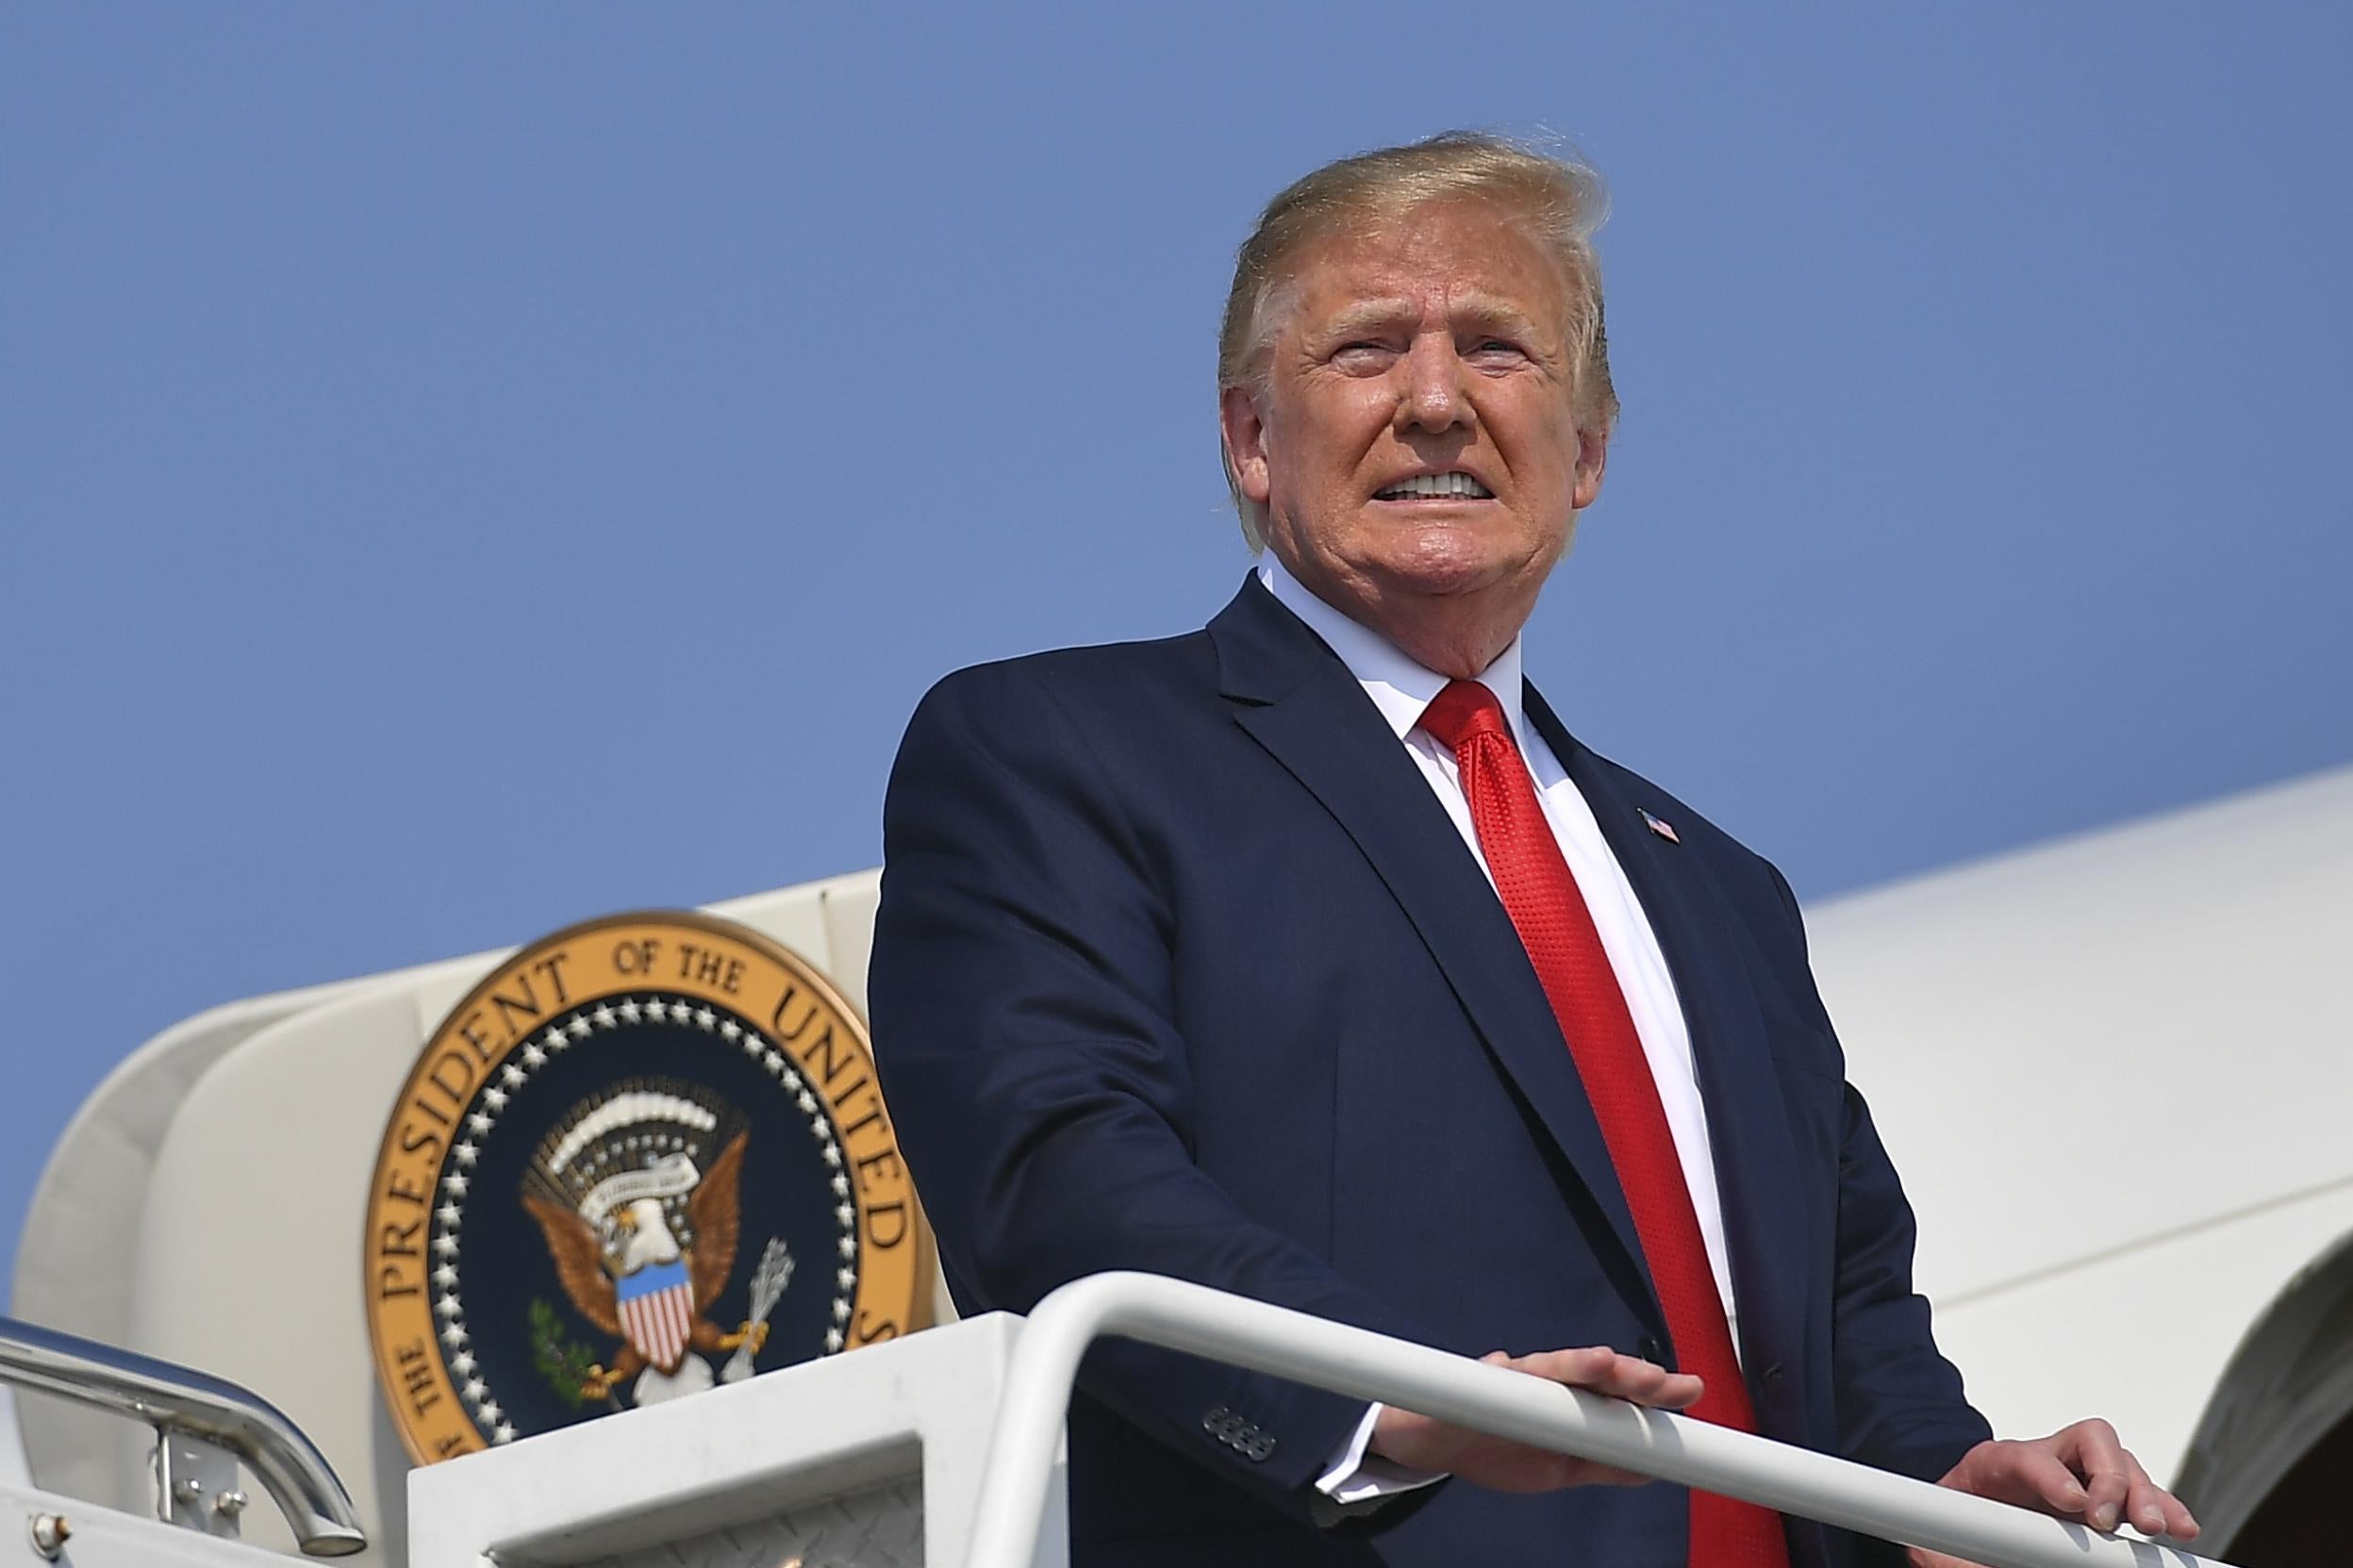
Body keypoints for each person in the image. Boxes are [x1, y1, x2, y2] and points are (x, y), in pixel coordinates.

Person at [867, 133, 2198, 1568]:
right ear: (1252, 437)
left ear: (1589, 452)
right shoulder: (1055, 752)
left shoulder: (1722, 890)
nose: (1436, 402)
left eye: (1498, 350)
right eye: (1369, 349)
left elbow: (1844, 1303)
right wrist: (1399, 1398)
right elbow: (1057, 1176)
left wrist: (1950, 1487)